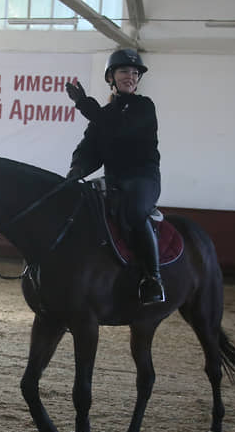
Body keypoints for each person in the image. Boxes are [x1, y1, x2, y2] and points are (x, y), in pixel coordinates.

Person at [64, 49, 164, 305]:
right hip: (116, 180)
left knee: (133, 210)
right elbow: (89, 150)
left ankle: (153, 279)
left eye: (134, 73)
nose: (130, 77)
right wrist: (75, 172)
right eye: (124, 72)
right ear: (111, 76)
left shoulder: (144, 107)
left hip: (143, 178)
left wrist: (85, 106)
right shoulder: (104, 115)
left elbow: (120, 128)